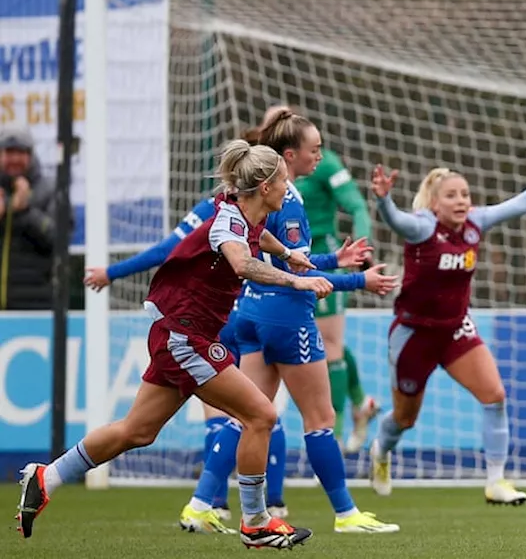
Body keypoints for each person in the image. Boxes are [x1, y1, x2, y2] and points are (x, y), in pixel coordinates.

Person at [19, 140, 330, 549]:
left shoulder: (244, 215)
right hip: (187, 336)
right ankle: (255, 522)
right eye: (285, 184)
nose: (289, 191)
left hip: (178, 333)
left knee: (137, 431)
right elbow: (242, 262)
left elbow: (258, 241)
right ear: (267, 186)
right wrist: (296, 279)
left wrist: (288, 253)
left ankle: (48, 476)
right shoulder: (228, 224)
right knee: (261, 415)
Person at [181, 107, 401, 535]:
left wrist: (334, 259)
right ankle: (346, 514)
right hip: (287, 319)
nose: (319, 157)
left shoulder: (251, 198)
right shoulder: (291, 199)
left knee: (249, 417)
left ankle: (200, 504)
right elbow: (297, 276)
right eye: (314, 149)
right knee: (319, 419)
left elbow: (280, 257)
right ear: (289, 154)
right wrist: (359, 279)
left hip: (249, 312)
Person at [367, 139, 526, 504]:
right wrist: (384, 200)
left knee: (494, 396)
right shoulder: (421, 228)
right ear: (434, 203)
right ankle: (381, 451)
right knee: (404, 419)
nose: (462, 200)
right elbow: (395, 220)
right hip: (414, 334)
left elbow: (525, 202)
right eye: (451, 195)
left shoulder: (476, 222)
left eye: (465, 193)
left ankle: (496, 481)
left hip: (454, 329)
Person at [285, 105, 380, 454]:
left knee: (330, 342)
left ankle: (332, 437)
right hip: (281, 264)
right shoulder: (265, 170)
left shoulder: (323, 164)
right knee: (325, 341)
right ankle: (360, 402)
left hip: (322, 257)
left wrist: (364, 244)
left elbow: (355, 205)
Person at [0, 126, 59, 310]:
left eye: (21, 152)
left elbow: (59, 239)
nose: (15, 159)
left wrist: (25, 211)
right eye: (9, 152)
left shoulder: (50, 189)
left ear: (31, 155)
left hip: (36, 308)